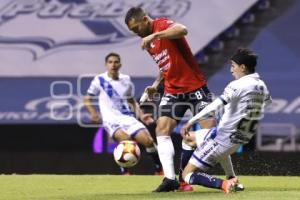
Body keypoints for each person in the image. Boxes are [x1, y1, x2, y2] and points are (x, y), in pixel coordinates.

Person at [125, 7, 216, 192]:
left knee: (211, 134)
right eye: (132, 32)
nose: (136, 33)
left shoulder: (161, 25)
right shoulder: (149, 42)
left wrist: (155, 36)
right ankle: (170, 179)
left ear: (144, 19)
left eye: (136, 29)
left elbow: (182, 30)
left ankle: (228, 175)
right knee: (161, 128)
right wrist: (156, 83)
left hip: (195, 87)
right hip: (173, 90)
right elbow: (165, 65)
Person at [181, 48, 271, 194]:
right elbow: (267, 103)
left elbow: (215, 105)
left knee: (187, 175)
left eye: (233, 66)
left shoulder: (237, 85)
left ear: (243, 67)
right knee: (188, 139)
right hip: (239, 137)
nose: (231, 70)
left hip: (222, 138)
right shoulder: (262, 86)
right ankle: (232, 177)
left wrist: (191, 120)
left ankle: (224, 184)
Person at [84, 52, 163, 175]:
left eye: (116, 62)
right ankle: (126, 172)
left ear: (120, 64)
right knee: (125, 140)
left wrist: (141, 115)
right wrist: (93, 112)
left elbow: (130, 100)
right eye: (110, 62)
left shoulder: (126, 79)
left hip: (127, 118)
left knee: (148, 141)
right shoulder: (99, 80)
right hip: (111, 120)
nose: (113, 65)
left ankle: (159, 170)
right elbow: (87, 98)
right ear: (106, 65)